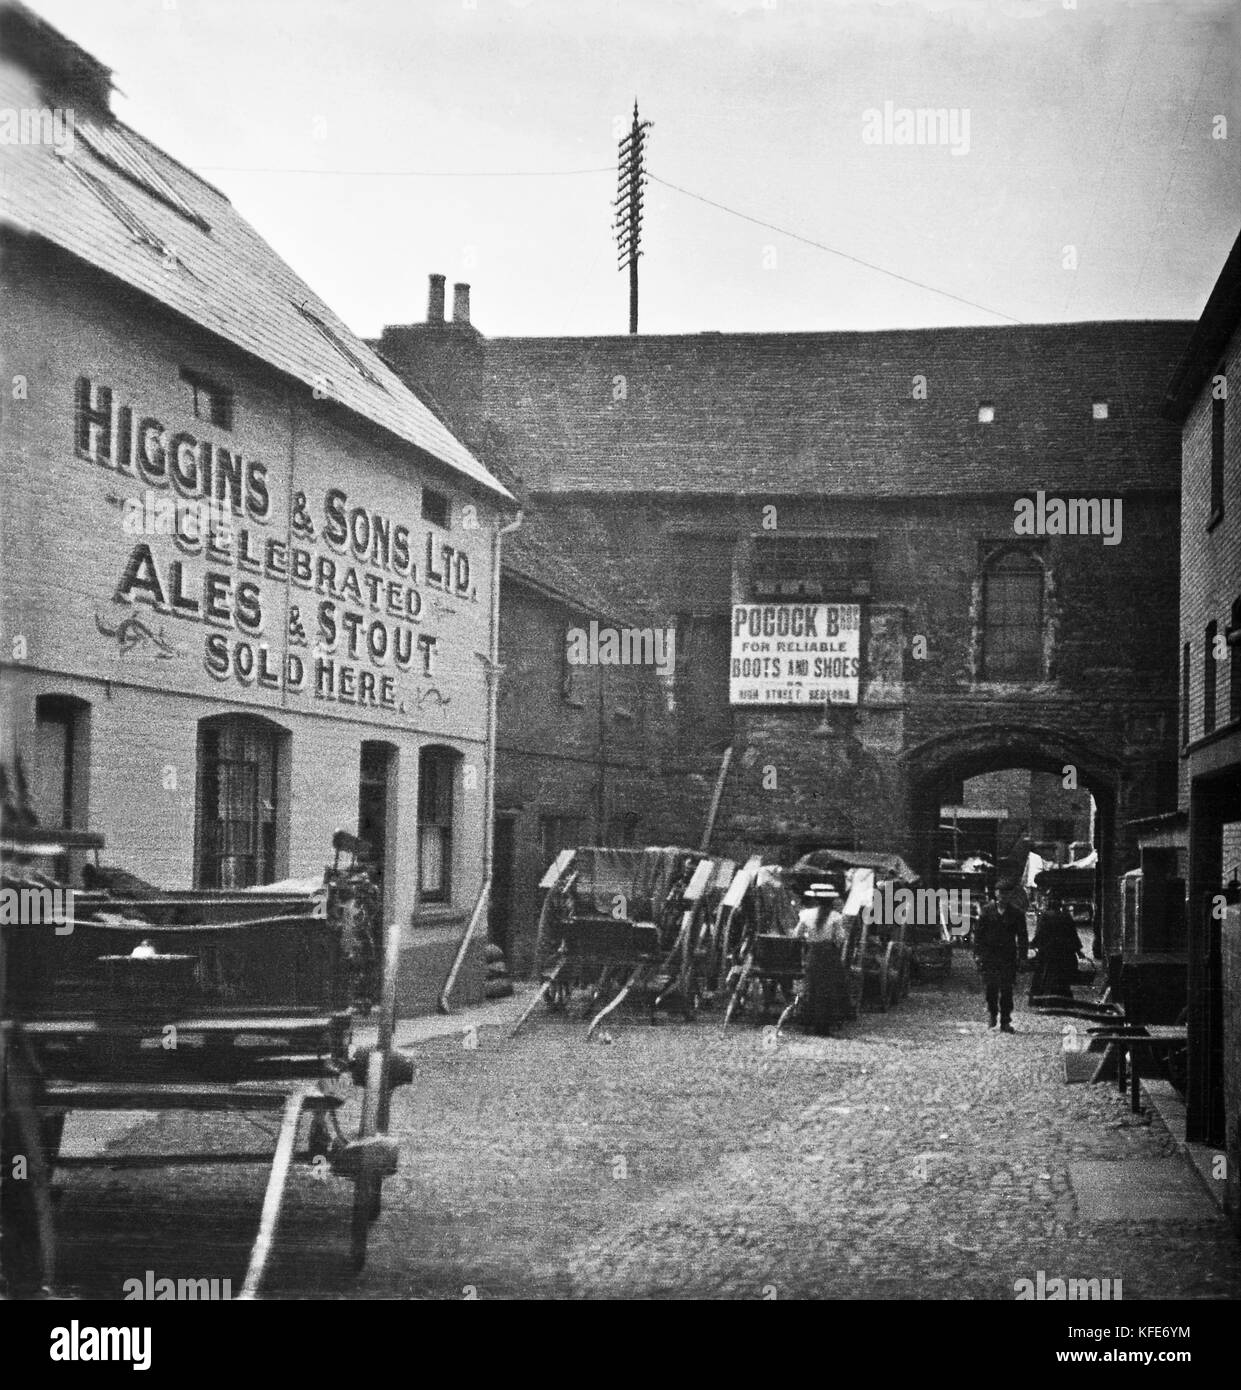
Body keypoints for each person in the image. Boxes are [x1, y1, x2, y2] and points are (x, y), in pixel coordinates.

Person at [973, 890, 1029, 1032]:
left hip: (1007, 956)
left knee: (1006, 989)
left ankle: (1005, 1021)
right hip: (989, 956)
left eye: (1006, 895)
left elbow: (1022, 936)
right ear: (996, 895)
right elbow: (978, 934)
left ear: (1010, 896)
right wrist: (977, 954)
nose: (1003, 898)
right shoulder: (987, 911)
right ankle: (992, 1013)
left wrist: (1022, 957)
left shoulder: (1016, 913)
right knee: (991, 988)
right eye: (1001, 895)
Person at [1028, 890, 1082, 1000]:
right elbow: (1073, 934)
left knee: (1044, 973)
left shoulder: (1045, 916)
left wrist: (1033, 944)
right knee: (1062, 975)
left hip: (1048, 951)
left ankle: (1041, 995)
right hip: (1063, 952)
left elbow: (1040, 933)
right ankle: (1063, 996)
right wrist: (1078, 950)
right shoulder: (1066, 916)